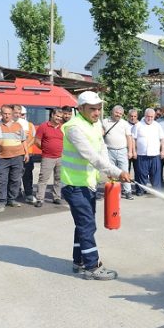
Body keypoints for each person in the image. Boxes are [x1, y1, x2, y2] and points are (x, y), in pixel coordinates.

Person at [60, 91, 132, 280]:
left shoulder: (96, 124)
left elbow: (102, 149)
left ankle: (79, 261)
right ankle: (92, 266)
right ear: (80, 108)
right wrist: (118, 172)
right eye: (92, 109)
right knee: (87, 225)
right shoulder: (73, 128)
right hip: (74, 185)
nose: (97, 112)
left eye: (99, 108)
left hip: (88, 184)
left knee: (82, 224)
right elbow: (91, 156)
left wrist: (110, 170)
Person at [0, 105, 28, 209]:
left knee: (15, 179)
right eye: (5, 113)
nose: (7, 115)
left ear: (12, 114)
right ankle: (2, 201)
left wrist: (26, 153)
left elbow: (23, 140)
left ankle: (11, 199)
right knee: (2, 180)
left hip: (17, 156)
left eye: (9, 113)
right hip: (2, 157)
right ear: (1, 114)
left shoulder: (18, 125)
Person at [102, 105, 134, 200]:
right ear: (112, 112)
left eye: (120, 114)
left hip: (122, 151)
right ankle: (113, 191)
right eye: (117, 113)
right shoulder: (105, 121)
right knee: (111, 172)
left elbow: (129, 138)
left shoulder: (125, 124)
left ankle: (128, 191)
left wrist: (130, 151)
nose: (118, 115)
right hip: (109, 150)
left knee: (124, 171)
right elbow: (101, 135)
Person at [34, 108, 64, 207]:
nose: (58, 118)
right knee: (43, 179)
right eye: (57, 116)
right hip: (48, 157)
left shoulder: (63, 127)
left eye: (60, 117)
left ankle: (57, 197)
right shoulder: (43, 126)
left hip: (61, 157)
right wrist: (44, 149)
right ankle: (39, 199)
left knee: (58, 179)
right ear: (52, 115)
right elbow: (37, 140)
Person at [133, 108, 164, 193]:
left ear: (154, 116)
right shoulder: (138, 125)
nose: (150, 118)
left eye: (152, 117)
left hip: (155, 155)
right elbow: (133, 139)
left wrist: (163, 151)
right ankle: (140, 190)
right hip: (141, 155)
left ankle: (156, 191)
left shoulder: (157, 125)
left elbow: (162, 139)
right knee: (141, 174)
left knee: (155, 175)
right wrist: (134, 151)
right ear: (145, 116)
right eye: (148, 116)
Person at [15, 105, 38, 204]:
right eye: (20, 114)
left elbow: (33, 138)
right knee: (15, 175)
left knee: (27, 175)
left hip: (28, 154)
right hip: (16, 154)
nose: (21, 116)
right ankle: (17, 192)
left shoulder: (30, 125)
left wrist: (26, 147)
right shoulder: (13, 125)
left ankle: (28, 193)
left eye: (23, 114)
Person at [127, 108, 139, 181]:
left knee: (138, 170)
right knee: (126, 169)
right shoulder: (125, 124)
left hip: (137, 151)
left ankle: (139, 187)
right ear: (128, 116)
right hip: (127, 151)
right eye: (131, 116)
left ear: (137, 116)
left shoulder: (140, 125)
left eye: (135, 116)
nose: (133, 118)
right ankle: (127, 187)